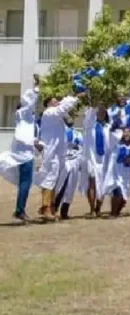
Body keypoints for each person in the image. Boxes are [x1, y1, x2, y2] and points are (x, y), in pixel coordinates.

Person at [36, 90, 81, 221]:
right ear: (48, 103)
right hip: (51, 152)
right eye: (55, 101)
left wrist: (70, 95)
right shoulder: (49, 113)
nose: (57, 102)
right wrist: (75, 97)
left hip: (58, 152)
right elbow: (62, 108)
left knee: (55, 179)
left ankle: (51, 207)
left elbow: (63, 108)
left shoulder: (57, 117)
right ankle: (45, 208)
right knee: (50, 178)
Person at [0, 78, 41, 223]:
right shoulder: (24, 112)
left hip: (22, 152)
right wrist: (37, 88)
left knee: (24, 182)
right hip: (24, 154)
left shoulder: (24, 118)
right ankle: (19, 210)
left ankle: (20, 209)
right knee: (25, 183)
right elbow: (31, 102)